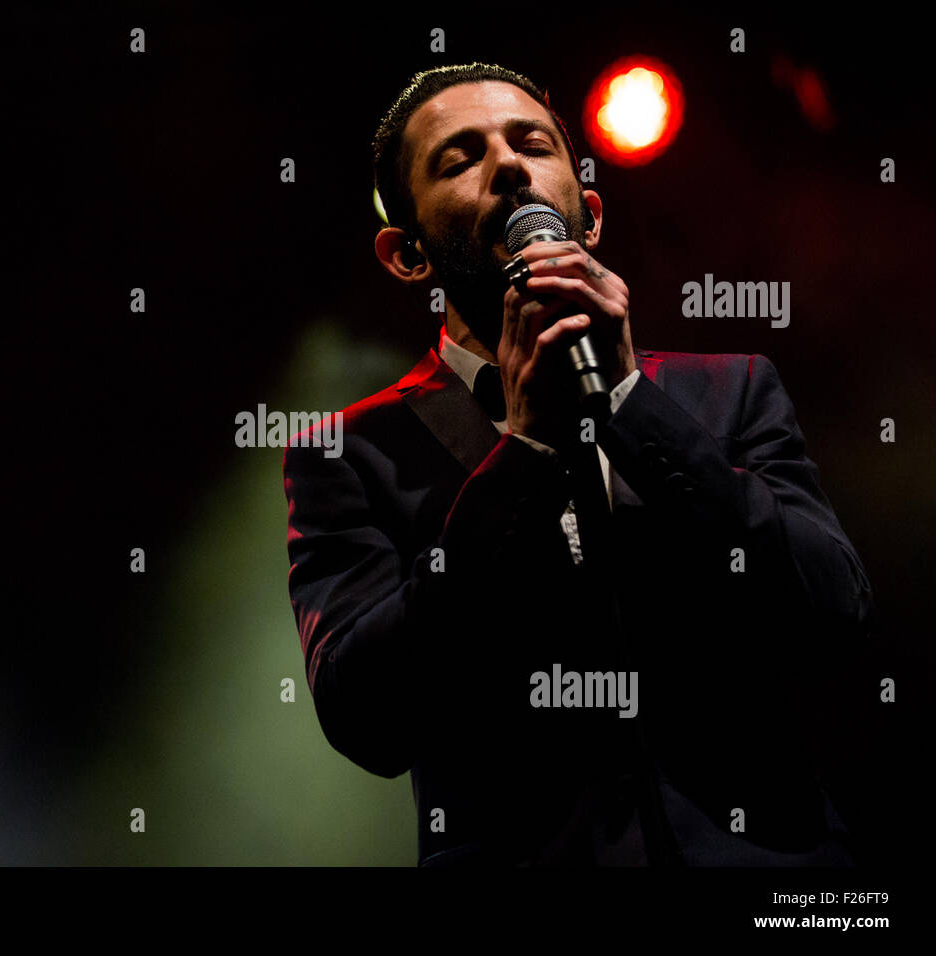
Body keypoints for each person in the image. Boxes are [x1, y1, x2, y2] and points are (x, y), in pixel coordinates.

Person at [281, 63, 873, 866]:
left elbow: (832, 612)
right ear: (406, 255)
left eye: (532, 144)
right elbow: (367, 717)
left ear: (588, 217)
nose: (510, 166)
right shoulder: (349, 453)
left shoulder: (728, 391)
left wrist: (632, 405)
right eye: (459, 159)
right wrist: (523, 458)